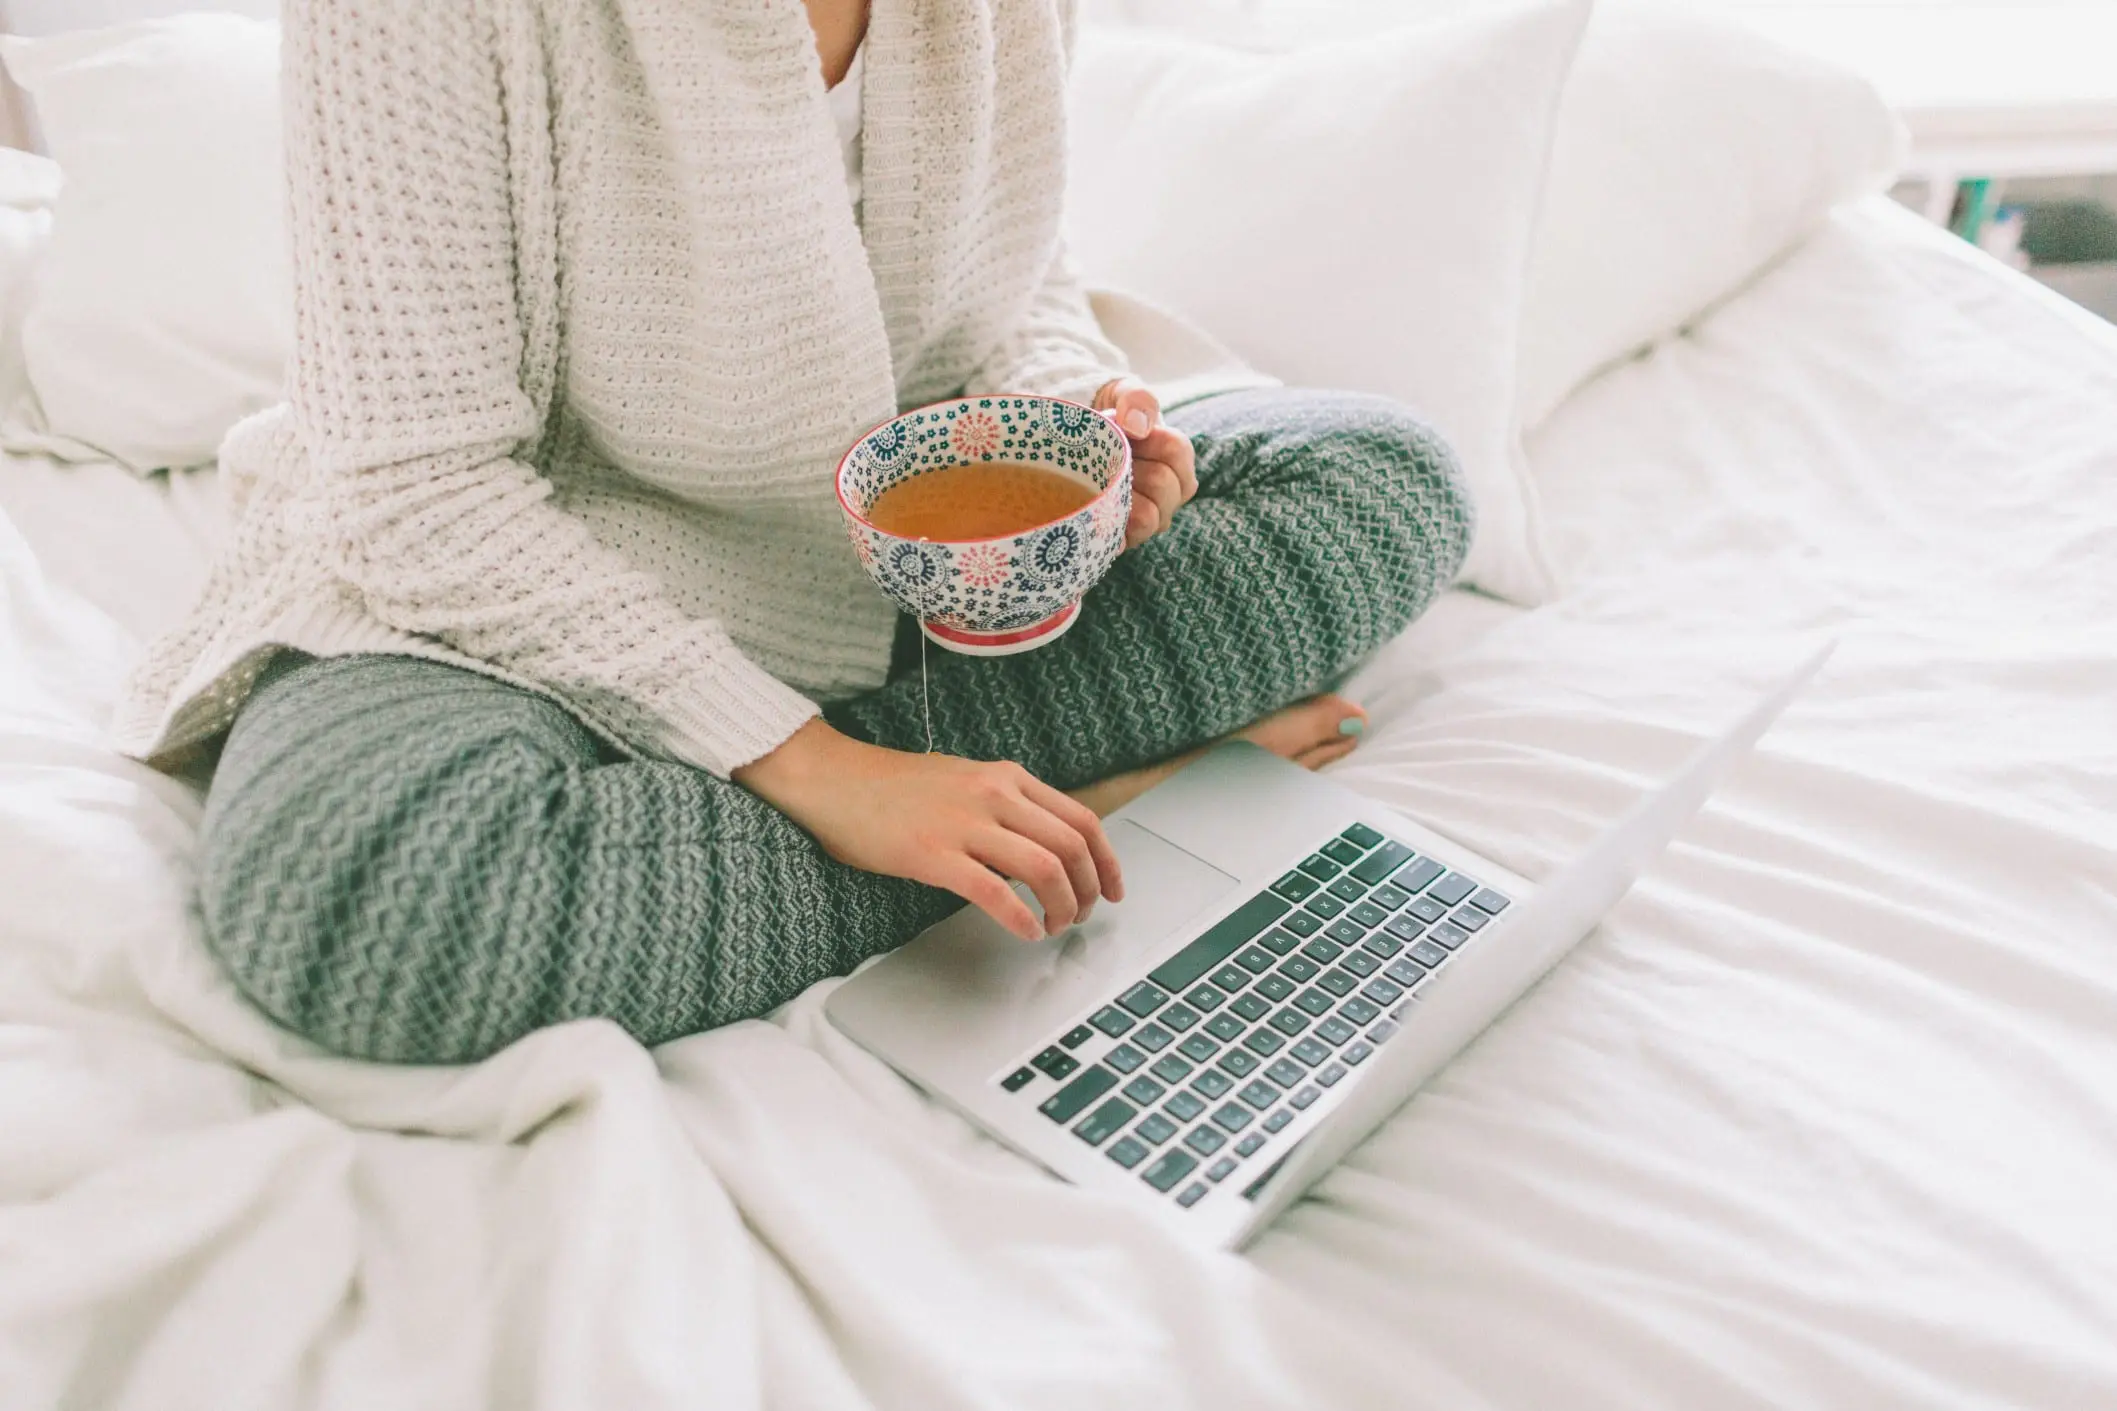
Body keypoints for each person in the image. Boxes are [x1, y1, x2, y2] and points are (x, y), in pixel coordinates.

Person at [113, 0, 1473, 1065]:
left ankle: (971, 805)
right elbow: (416, 490)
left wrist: (1077, 432)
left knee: (1375, 481)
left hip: (884, 562)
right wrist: (822, 770)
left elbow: (1013, 294)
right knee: (371, 901)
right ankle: (1071, 802)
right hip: (505, 585)